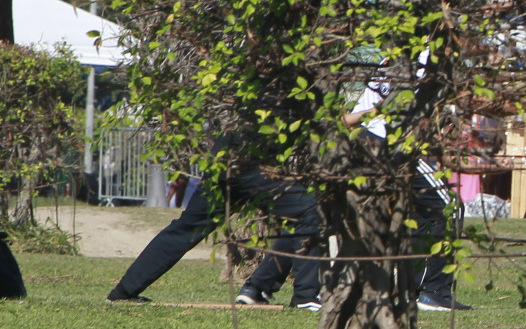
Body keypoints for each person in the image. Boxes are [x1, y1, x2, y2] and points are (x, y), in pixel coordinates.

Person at [106, 166, 324, 308]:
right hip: (253, 167)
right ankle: (304, 296)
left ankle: (124, 291)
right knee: (308, 208)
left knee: (186, 228)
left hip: (223, 163)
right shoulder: (283, 97)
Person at [344, 71, 467, 311]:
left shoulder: (393, 55)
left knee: (402, 216)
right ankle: (432, 291)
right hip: (390, 142)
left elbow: (354, 116)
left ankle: (406, 287)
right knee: (449, 208)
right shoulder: (425, 58)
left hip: (364, 140)